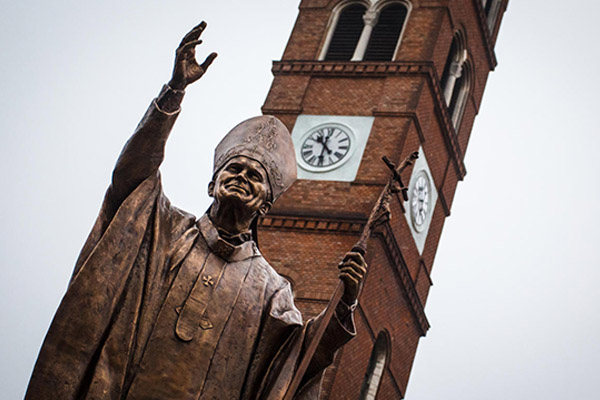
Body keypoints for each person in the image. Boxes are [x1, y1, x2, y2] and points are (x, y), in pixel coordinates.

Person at [26, 22, 366, 399]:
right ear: (211, 185)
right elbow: (134, 174)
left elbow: (300, 359)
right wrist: (174, 92)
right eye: (233, 169)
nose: (241, 177)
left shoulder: (273, 290)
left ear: (266, 206)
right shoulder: (164, 229)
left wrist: (346, 300)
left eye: (255, 176)